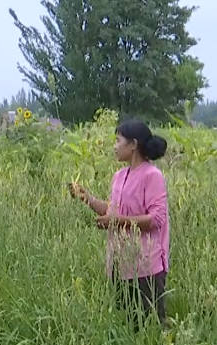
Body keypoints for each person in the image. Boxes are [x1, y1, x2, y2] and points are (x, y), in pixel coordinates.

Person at [70, 120, 170, 328]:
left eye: (118, 140)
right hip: (120, 265)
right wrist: (86, 198)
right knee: (125, 327)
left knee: (149, 327)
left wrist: (116, 221)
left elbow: (156, 219)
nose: (114, 146)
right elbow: (112, 211)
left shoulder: (152, 176)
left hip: (146, 267)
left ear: (133, 145)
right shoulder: (119, 176)